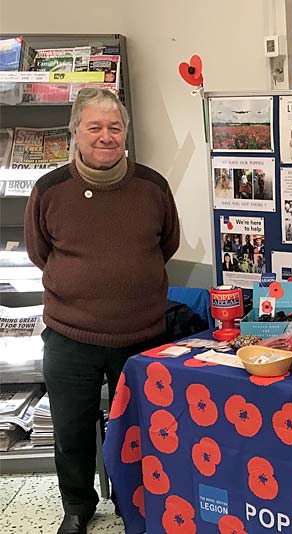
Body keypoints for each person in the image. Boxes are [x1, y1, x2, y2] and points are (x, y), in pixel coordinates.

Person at [24, 87, 180, 534]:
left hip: (143, 336)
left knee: (144, 430)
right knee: (71, 431)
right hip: (70, 337)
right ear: (76, 132)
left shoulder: (152, 187)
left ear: (125, 133)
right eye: (95, 127)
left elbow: (164, 244)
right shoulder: (50, 190)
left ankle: (143, 499)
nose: (106, 136)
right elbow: (41, 251)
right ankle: (77, 506)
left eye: (115, 127)